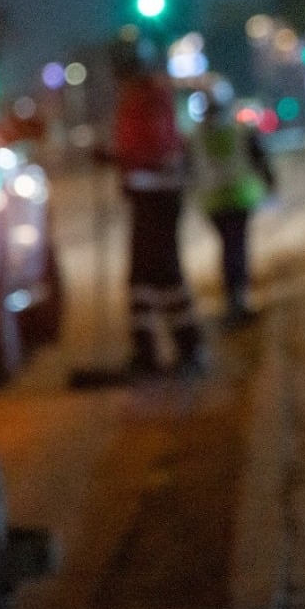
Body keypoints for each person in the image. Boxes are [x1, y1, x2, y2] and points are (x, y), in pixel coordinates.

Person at [108, 37, 208, 378]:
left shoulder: (148, 97)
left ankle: (188, 349)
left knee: (162, 274)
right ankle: (149, 351)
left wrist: (117, 158)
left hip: (157, 197)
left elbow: (155, 146)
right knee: (144, 278)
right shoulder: (145, 94)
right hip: (148, 195)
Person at [190, 78, 276, 326]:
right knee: (236, 248)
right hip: (238, 200)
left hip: (214, 204)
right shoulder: (239, 131)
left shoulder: (195, 137)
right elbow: (259, 159)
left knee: (229, 249)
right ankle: (238, 300)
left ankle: (235, 300)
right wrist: (271, 185)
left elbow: (189, 170)